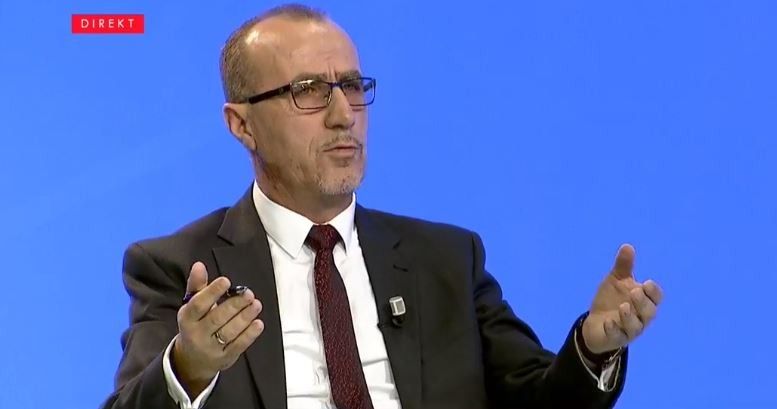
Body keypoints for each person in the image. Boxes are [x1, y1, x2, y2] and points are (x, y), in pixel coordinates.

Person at [100, 4, 664, 409]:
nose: (343, 114)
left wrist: (593, 347)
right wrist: (188, 368)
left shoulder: (446, 260)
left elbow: (540, 399)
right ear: (242, 124)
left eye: (351, 86)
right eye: (308, 91)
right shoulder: (180, 267)